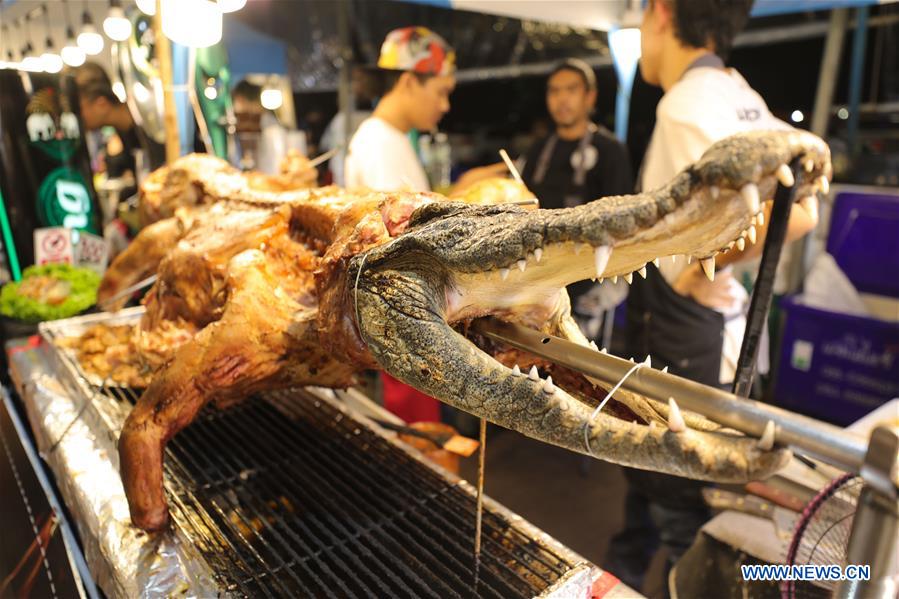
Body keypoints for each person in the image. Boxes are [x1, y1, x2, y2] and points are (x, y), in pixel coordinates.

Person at [606, 0, 820, 593]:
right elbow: (797, 193)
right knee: (658, 503)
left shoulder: (684, 104)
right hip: (721, 345)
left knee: (689, 530)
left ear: (661, 12)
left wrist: (709, 266)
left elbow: (796, 210)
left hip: (692, 350)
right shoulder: (736, 89)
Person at [519, 58, 633, 342]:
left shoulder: (610, 151)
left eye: (571, 90)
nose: (562, 99)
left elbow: (621, 223)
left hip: (592, 276)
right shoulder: (539, 150)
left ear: (589, 96)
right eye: (554, 91)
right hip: (541, 274)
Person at [344, 26, 499, 194]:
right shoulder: (379, 142)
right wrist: (463, 191)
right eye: (441, 92)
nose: (445, 106)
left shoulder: (392, 136)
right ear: (408, 83)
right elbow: (399, 217)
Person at [73, 62, 165, 171]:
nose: (75, 117)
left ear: (101, 104)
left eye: (78, 109)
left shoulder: (151, 123)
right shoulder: (124, 131)